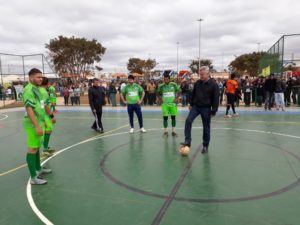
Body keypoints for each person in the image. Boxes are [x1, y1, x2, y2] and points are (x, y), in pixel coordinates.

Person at [22, 68, 54, 185]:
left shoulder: (38, 89)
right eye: (38, 77)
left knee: (37, 147)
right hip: (32, 123)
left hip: (39, 121)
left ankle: (38, 168)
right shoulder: (28, 90)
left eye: (41, 77)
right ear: (31, 78)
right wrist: (37, 126)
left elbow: (43, 105)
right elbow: (29, 109)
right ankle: (33, 177)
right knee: (32, 149)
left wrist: (48, 117)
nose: (40, 79)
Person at [181, 66, 219, 154]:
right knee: (188, 121)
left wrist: (214, 110)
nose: (201, 76)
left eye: (202, 74)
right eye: (200, 74)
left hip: (206, 108)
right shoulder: (198, 83)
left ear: (208, 74)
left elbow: (216, 98)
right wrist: (191, 104)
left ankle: (205, 145)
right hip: (196, 107)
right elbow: (193, 93)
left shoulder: (213, 85)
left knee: (206, 127)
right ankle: (188, 141)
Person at [39, 77, 56, 158]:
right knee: (48, 130)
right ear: (47, 83)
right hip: (45, 115)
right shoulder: (43, 92)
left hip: (43, 114)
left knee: (47, 131)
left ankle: (46, 147)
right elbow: (44, 105)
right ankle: (45, 150)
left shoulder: (41, 91)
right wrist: (51, 116)